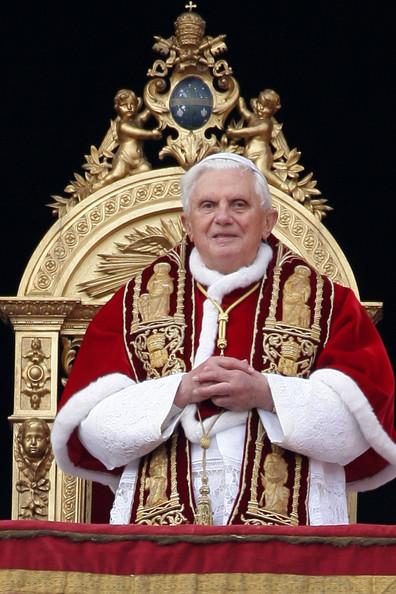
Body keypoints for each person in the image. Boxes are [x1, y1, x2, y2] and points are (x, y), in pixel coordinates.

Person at [51, 153, 396, 526]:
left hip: (292, 545)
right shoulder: (131, 306)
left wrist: (268, 394)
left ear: (268, 222)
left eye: (239, 204)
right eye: (208, 205)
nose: (223, 217)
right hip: (159, 545)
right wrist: (177, 393)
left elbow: (358, 433)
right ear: (188, 223)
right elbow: (95, 434)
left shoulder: (330, 306)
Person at [92, 89, 161, 191]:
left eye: (132, 104)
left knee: (146, 169)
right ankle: (100, 184)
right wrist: (151, 134)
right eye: (124, 105)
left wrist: (154, 99)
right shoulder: (122, 126)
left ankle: (129, 175)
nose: (129, 108)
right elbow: (138, 133)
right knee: (116, 174)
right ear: (117, 107)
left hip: (139, 160)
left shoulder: (137, 120)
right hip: (124, 158)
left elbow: (147, 112)